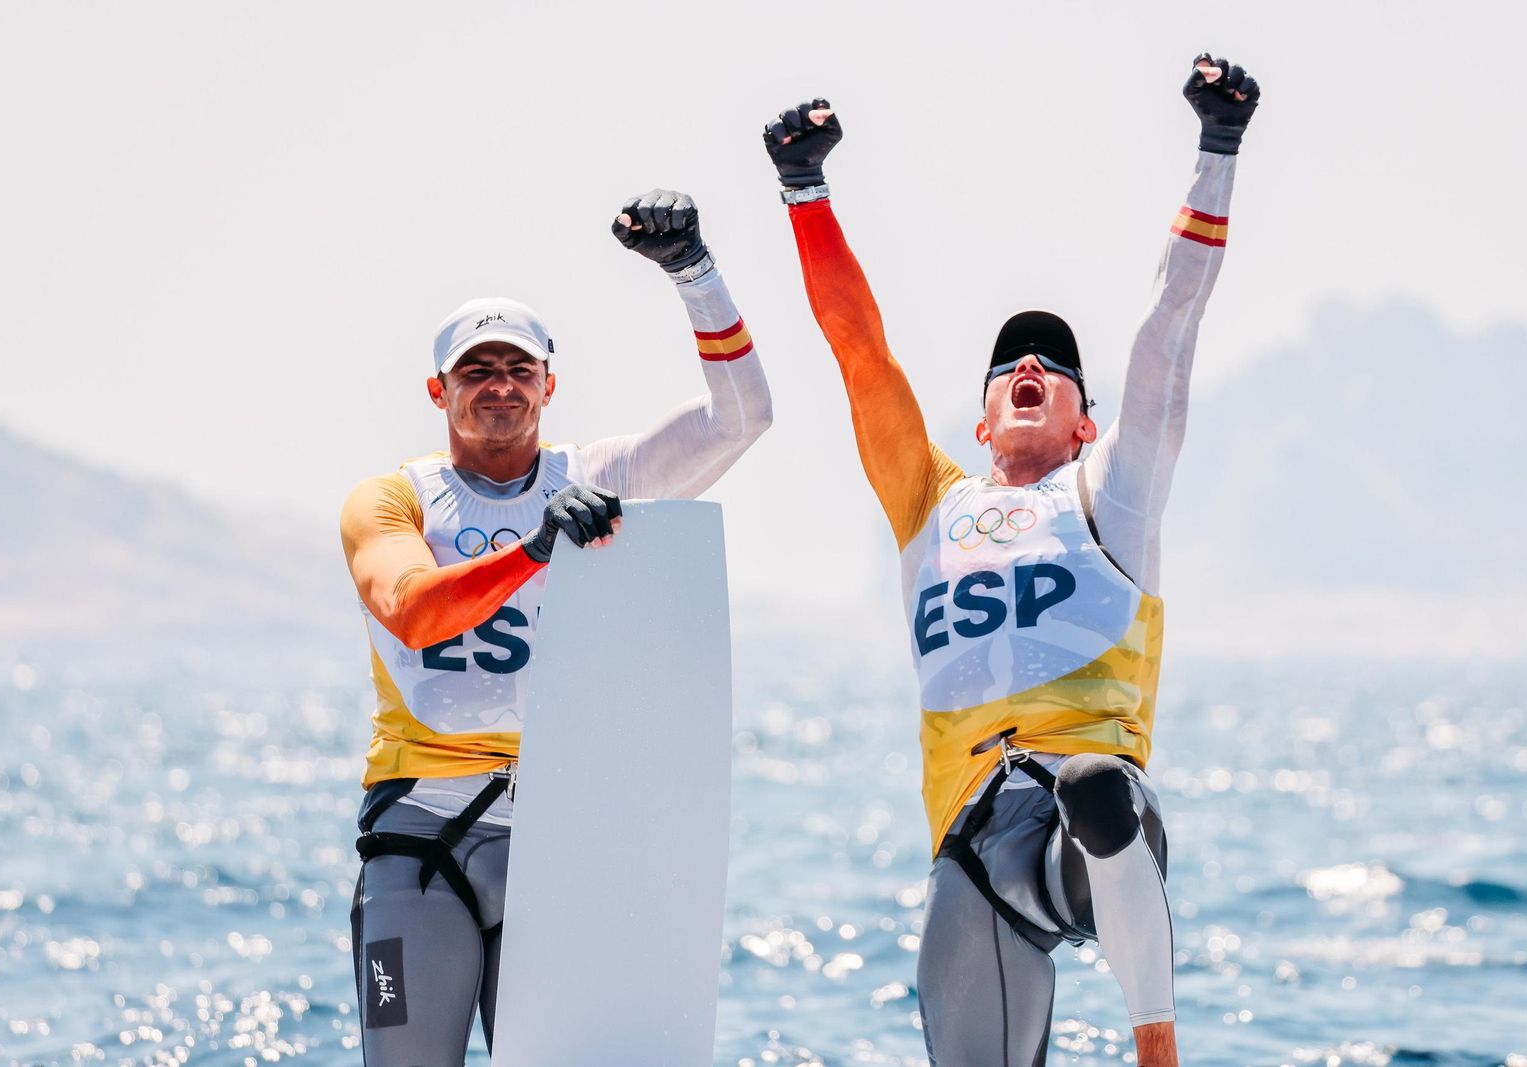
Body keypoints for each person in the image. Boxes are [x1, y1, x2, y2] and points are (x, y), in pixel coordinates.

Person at [763, 53, 1259, 1067]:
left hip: (1098, 830)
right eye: (1008, 366)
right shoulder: (927, 502)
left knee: (1095, 784)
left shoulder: (1112, 492)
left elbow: (1168, 330)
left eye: (1057, 367)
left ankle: (1156, 1044)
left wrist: (1217, 146)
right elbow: (858, 349)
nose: (1031, 365)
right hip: (976, 847)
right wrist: (803, 187)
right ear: (983, 419)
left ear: (1085, 425)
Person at [338, 187, 771, 1065]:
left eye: (518, 368)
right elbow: (413, 611)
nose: (500, 385)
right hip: (420, 830)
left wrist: (693, 271)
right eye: (476, 371)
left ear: (549, 384)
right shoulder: (391, 497)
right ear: (439, 390)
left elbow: (742, 418)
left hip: (564, 832)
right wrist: (535, 548)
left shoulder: (602, 475)